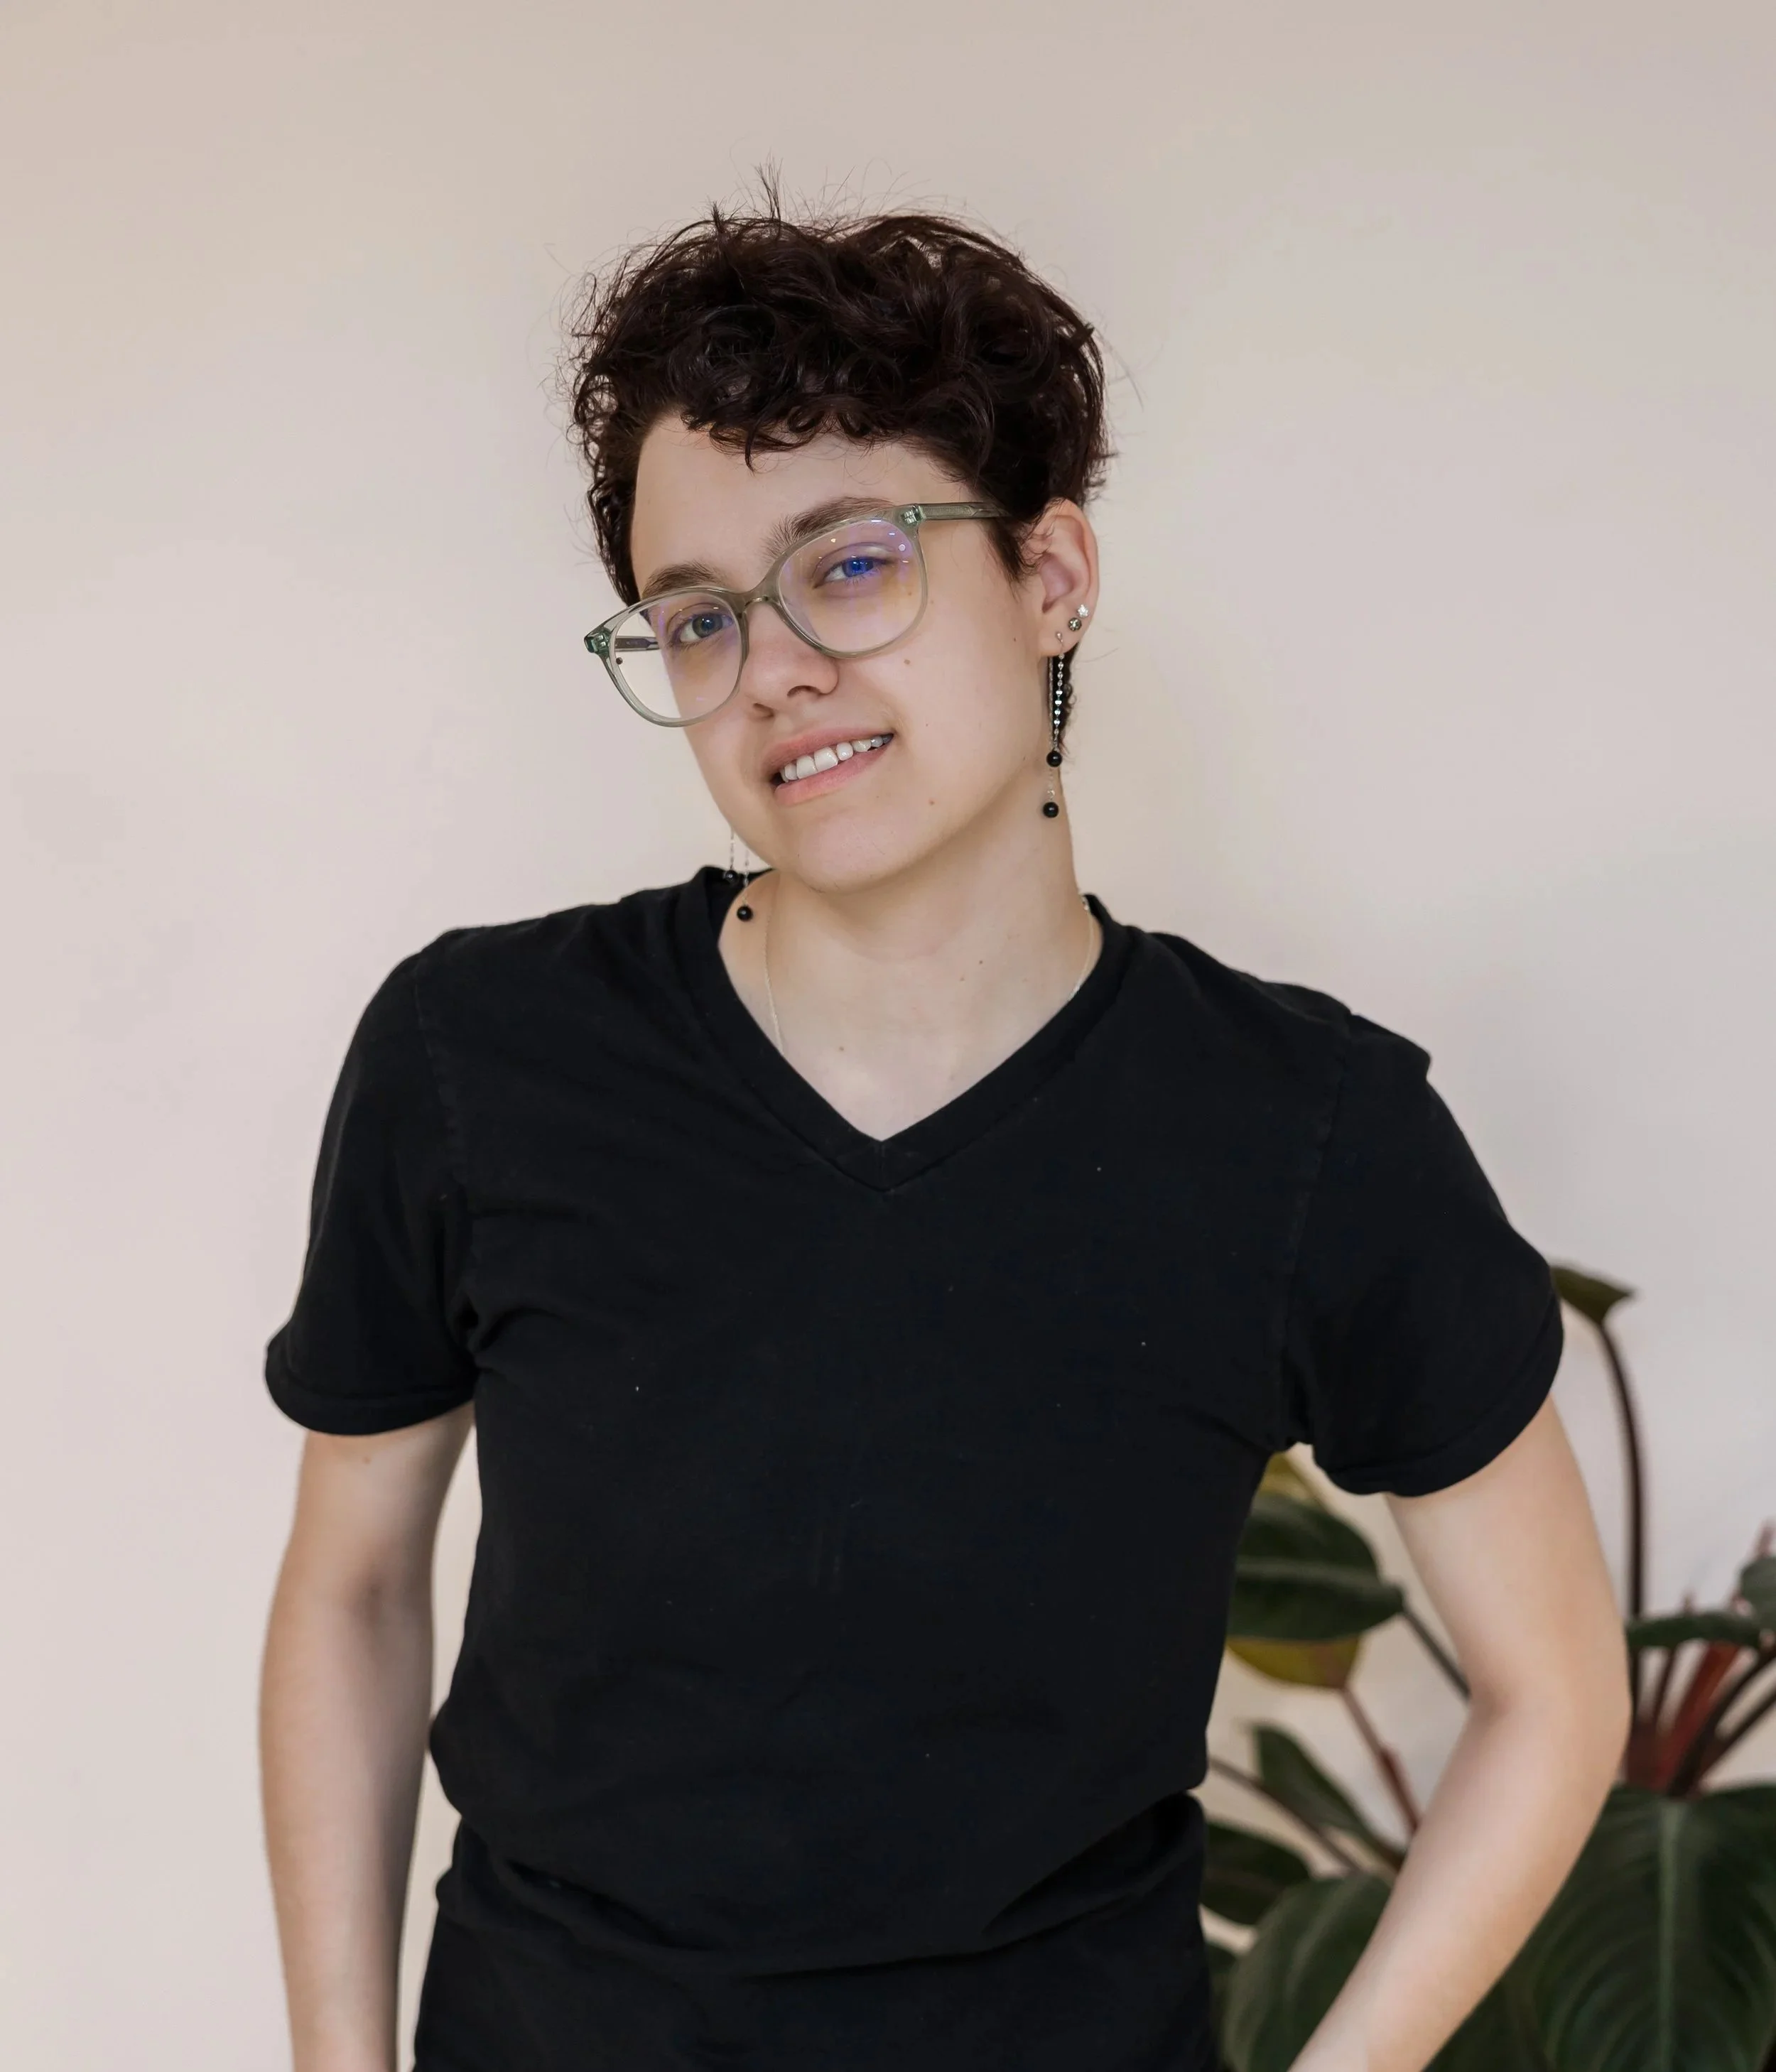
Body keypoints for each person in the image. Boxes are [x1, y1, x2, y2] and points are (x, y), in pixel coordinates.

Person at [259, 197, 1630, 2072]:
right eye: (700, 616)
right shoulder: (478, 1052)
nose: (773, 671)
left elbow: (1555, 1688)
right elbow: (349, 1582)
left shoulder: (1302, 1131)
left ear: (1050, 575)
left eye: (851, 565)